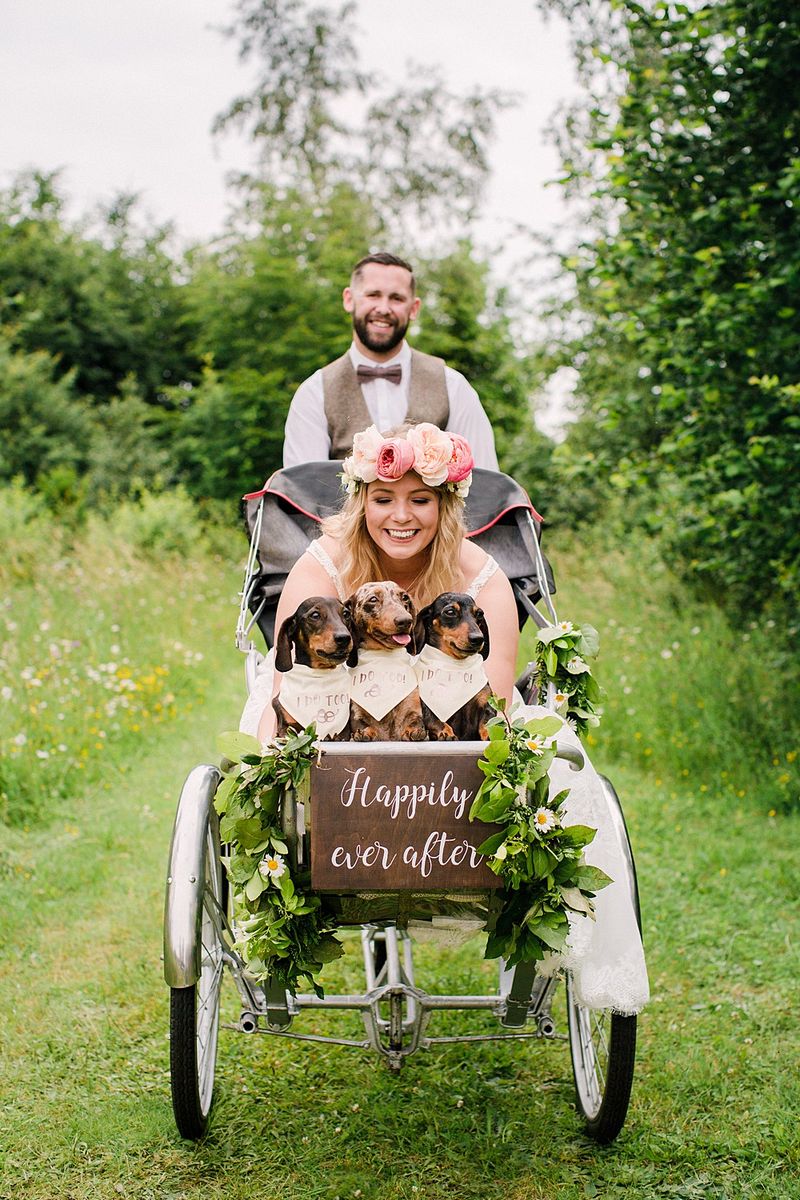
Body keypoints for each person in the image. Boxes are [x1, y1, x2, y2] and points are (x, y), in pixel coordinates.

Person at [244, 422, 517, 743]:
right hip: (332, 715)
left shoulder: (482, 576)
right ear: (362, 504)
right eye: (384, 500)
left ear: (444, 506)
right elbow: (288, 690)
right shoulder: (323, 565)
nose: (401, 516)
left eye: (420, 500)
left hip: (454, 725)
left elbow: (495, 708)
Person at [282, 252, 499, 470]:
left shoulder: (453, 386)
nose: (384, 308)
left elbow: (484, 482)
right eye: (373, 295)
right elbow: (303, 492)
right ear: (349, 299)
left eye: (396, 298)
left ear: (414, 308)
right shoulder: (314, 393)